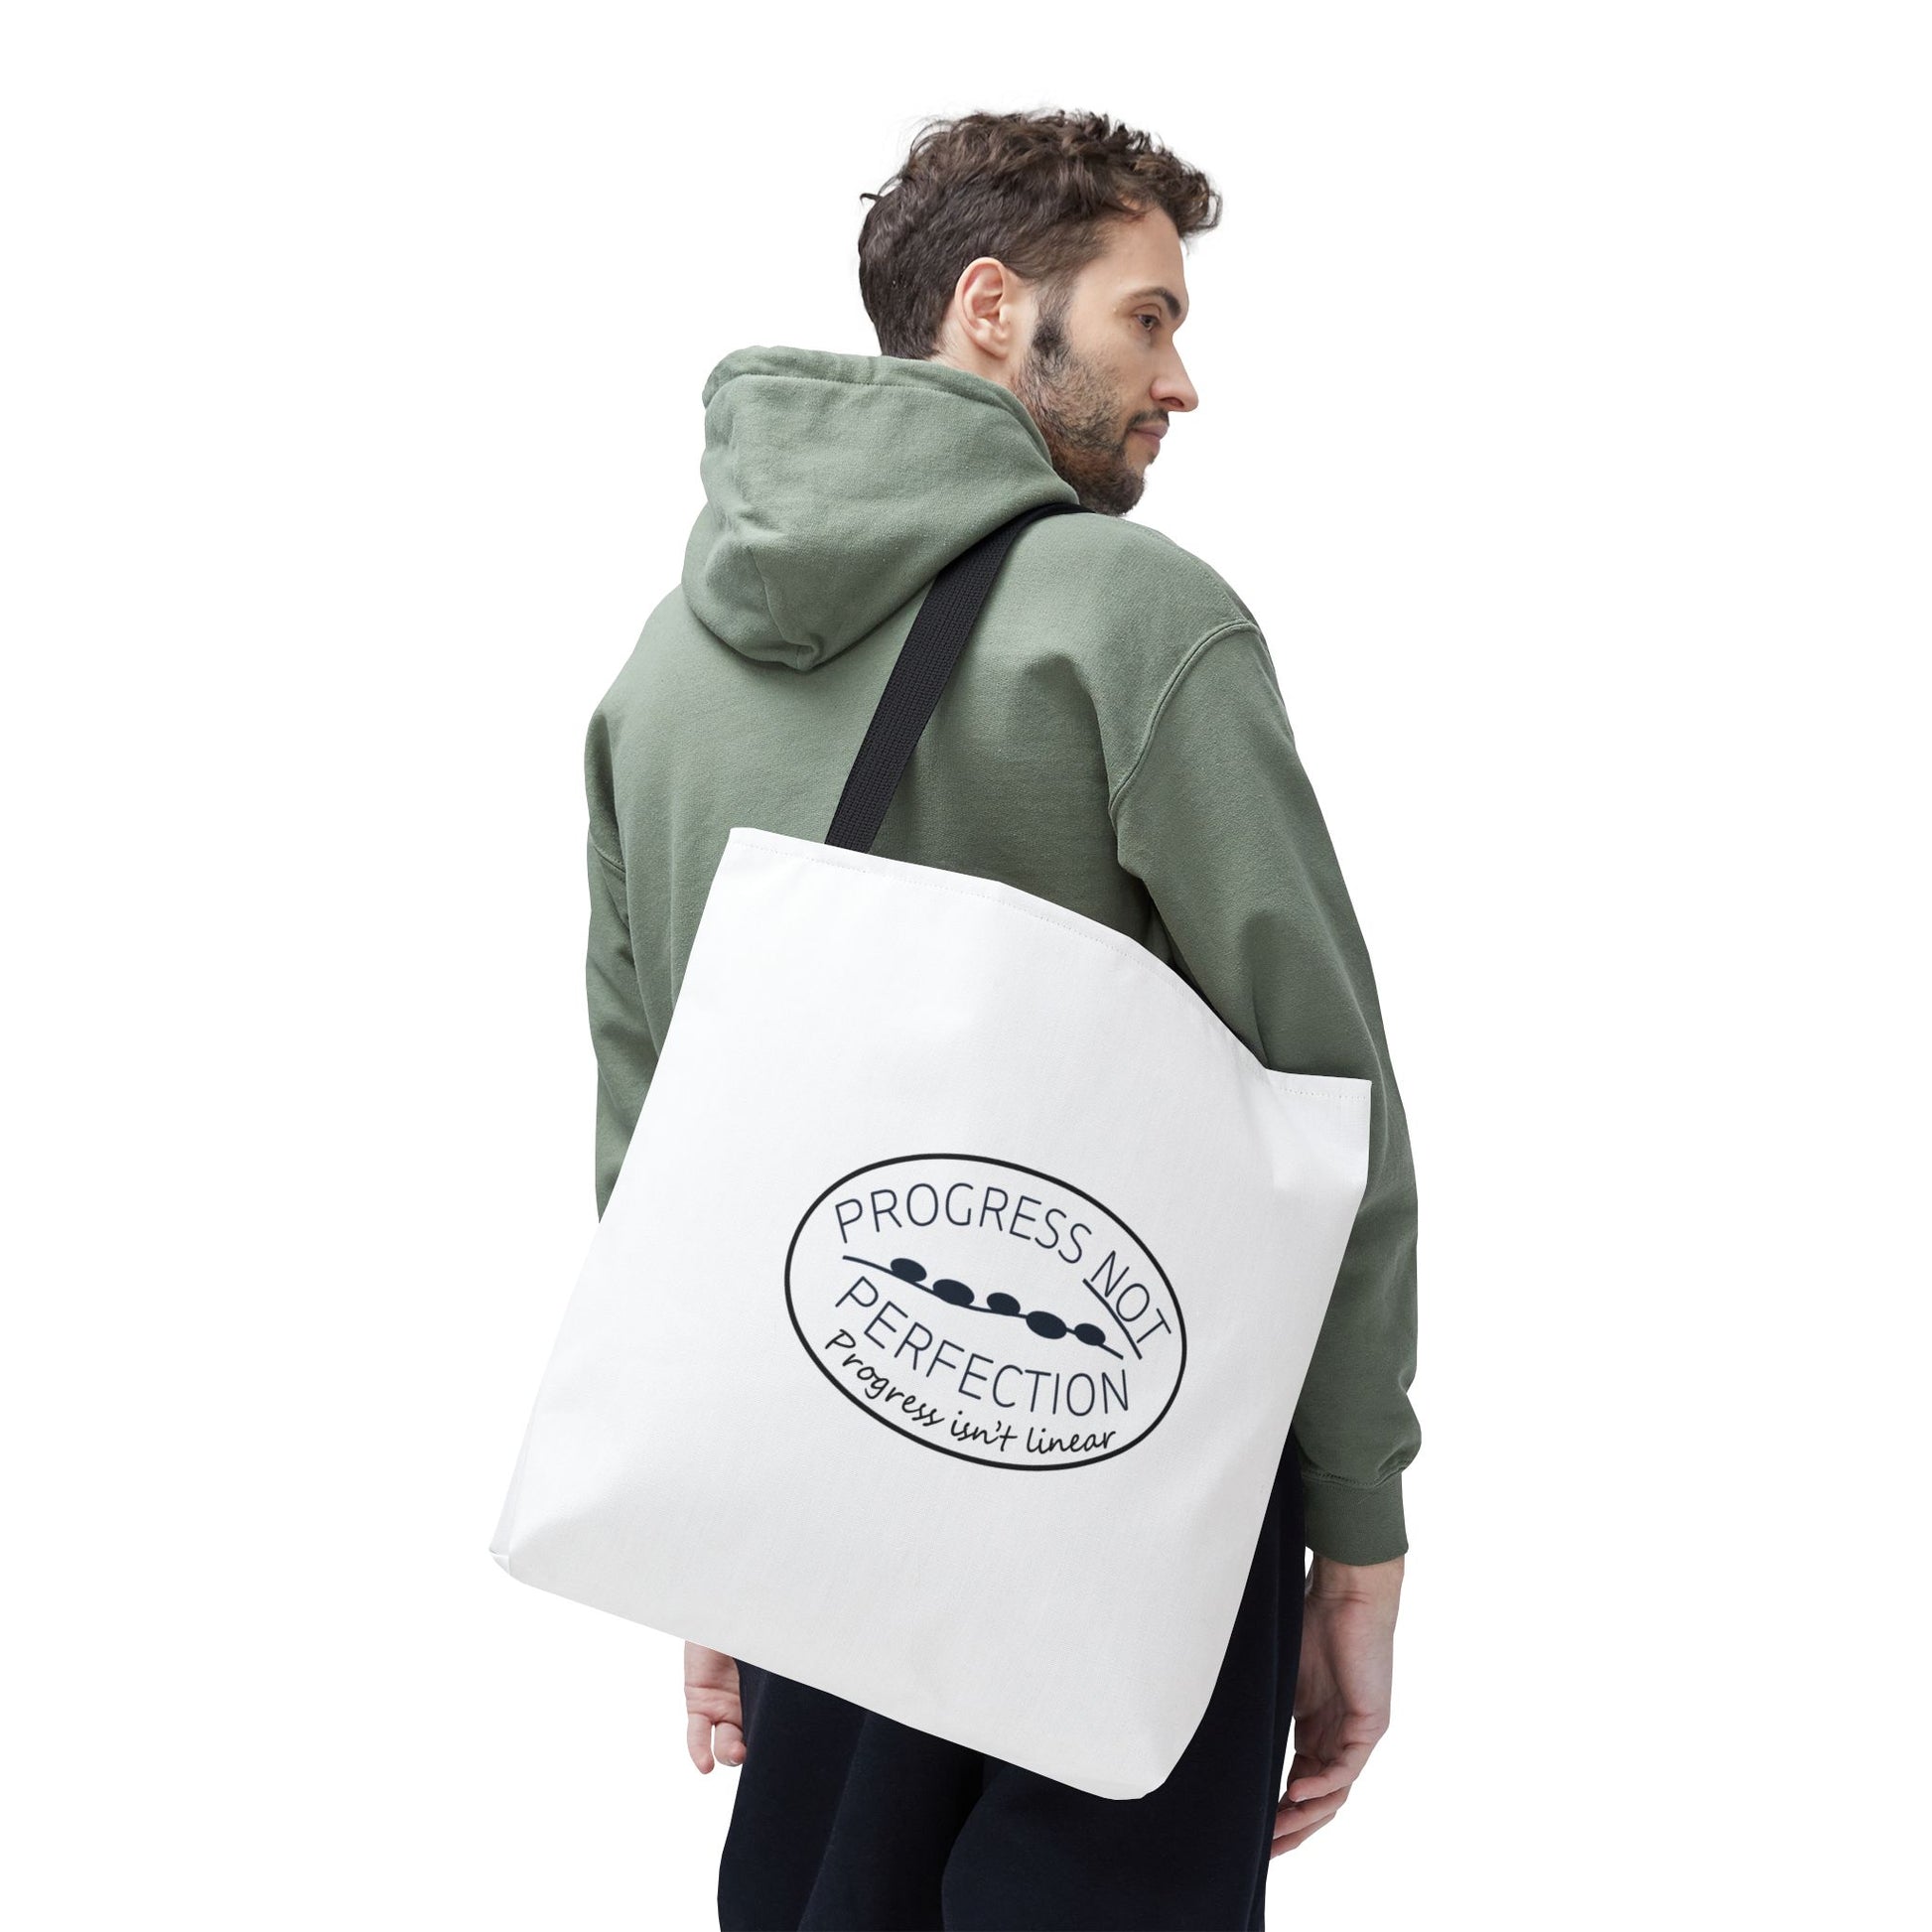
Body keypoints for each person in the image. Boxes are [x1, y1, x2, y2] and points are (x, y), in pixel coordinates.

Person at [582, 107, 1419, 1930]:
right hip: (1120, 1491)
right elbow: (1324, 1110)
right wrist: (1355, 1530)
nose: (1180, 380)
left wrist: (705, 1527)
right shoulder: (1133, 618)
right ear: (989, 307)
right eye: (1146, 316)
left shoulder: (662, 670)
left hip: (815, 1476)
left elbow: (656, 1142)